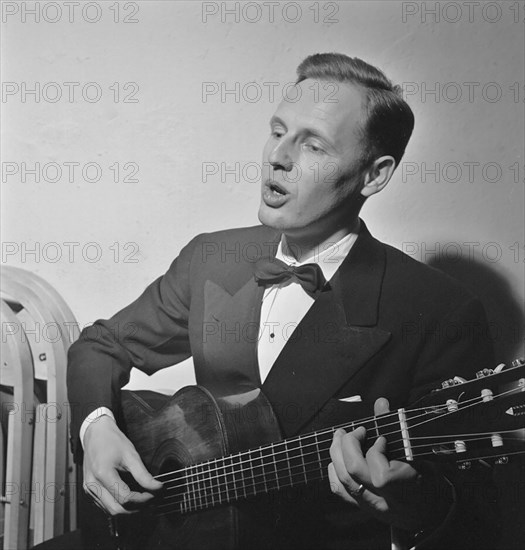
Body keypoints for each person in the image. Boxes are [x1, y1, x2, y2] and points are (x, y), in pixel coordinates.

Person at [66, 53, 496, 549]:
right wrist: (97, 429)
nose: (278, 156)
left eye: (313, 144)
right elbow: (100, 346)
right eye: (277, 131)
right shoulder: (213, 257)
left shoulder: (442, 311)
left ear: (374, 176)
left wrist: (412, 507)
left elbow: (474, 518)